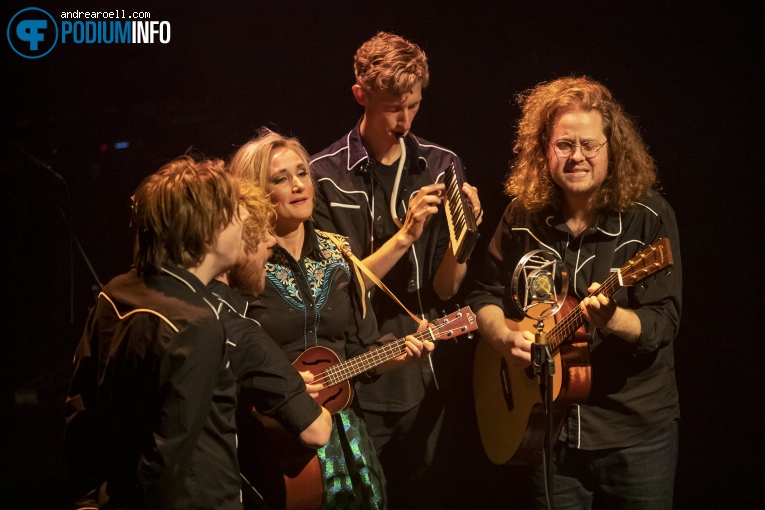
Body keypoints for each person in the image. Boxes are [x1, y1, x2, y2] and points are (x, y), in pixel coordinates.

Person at [467, 76, 681, 509]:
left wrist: (613, 319)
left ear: (611, 148)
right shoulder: (522, 215)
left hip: (634, 435)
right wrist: (505, 339)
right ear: (544, 148)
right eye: (564, 145)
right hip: (546, 431)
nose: (577, 157)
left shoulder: (649, 217)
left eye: (589, 145)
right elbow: (483, 295)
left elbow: (664, 321)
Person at [308, 31, 482, 507]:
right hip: (357, 378)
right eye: (392, 107)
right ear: (360, 96)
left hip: (425, 371)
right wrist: (405, 235)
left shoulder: (442, 164)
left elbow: (447, 289)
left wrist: (464, 239)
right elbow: (337, 289)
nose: (405, 120)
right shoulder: (323, 176)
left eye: (414, 105)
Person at [228, 127, 434, 509]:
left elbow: (361, 349)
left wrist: (399, 356)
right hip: (270, 437)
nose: (298, 184)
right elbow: (227, 358)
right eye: (281, 178)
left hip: (345, 435)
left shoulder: (338, 253)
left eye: (302, 172)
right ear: (256, 193)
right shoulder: (243, 265)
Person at [64, 156, 250, 509]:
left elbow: (80, 409)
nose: (243, 220)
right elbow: (167, 457)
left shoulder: (114, 291)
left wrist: (86, 498)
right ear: (207, 228)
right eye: (234, 211)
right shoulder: (196, 323)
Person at [208, 181, 333, 505]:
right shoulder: (239, 329)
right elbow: (317, 431)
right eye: (259, 231)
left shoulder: (119, 298)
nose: (270, 241)